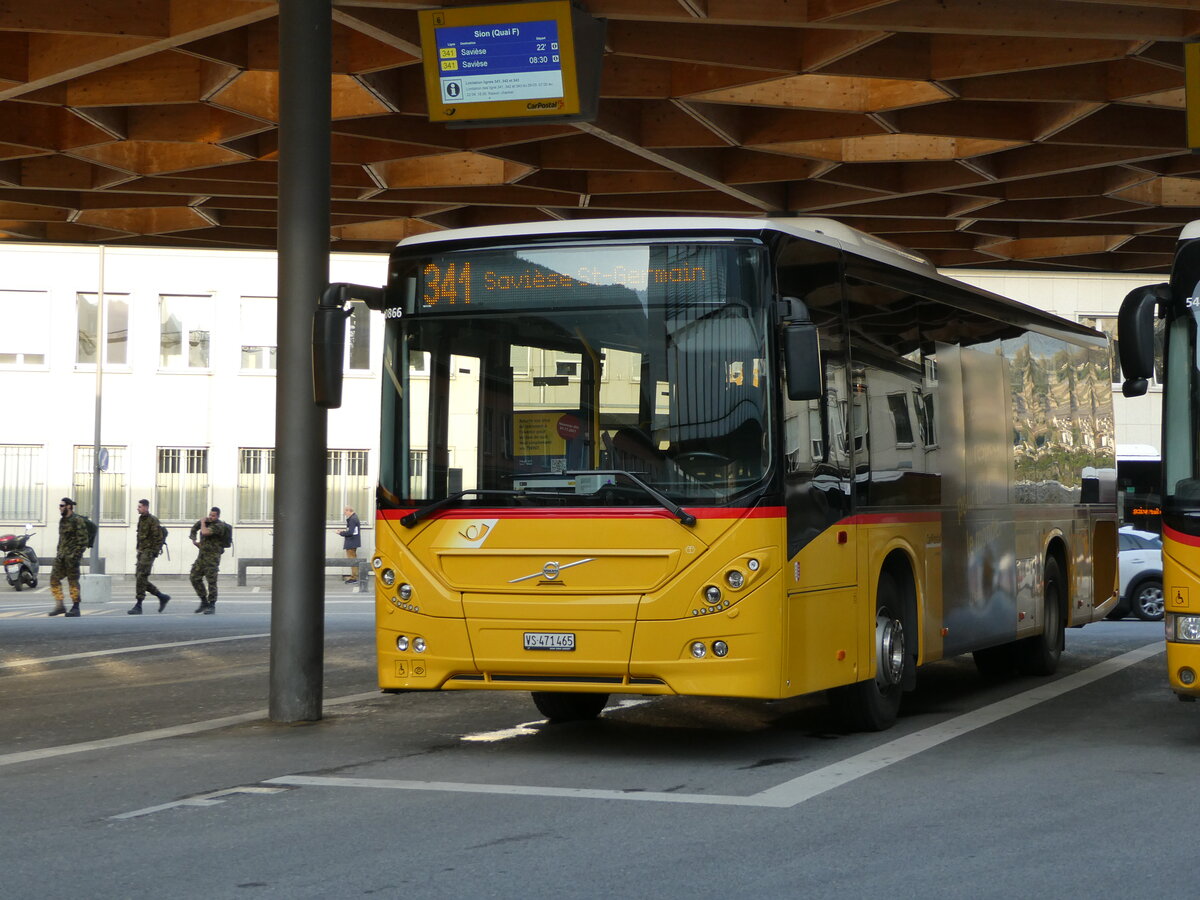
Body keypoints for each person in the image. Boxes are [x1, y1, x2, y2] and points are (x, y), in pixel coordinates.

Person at [128, 499, 170, 614]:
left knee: (141, 576)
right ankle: (161, 596)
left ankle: (139, 605)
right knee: (139, 577)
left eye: (140, 507)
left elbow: (158, 538)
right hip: (142, 552)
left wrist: (153, 552)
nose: (138, 508)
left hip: (148, 553)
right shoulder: (141, 519)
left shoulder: (153, 520)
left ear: (146, 507)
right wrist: (138, 549)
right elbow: (140, 536)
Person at [48, 497, 89, 617]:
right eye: (59, 506)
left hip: (72, 558)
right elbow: (61, 539)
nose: (60, 508)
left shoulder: (77, 520)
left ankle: (76, 607)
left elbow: (83, 541)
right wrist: (58, 552)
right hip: (61, 557)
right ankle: (60, 605)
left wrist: (75, 556)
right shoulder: (62, 521)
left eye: (62, 506)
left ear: (69, 506)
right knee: (54, 579)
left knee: (73, 582)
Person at [189, 506, 230, 614]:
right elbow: (194, 528)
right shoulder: (206, 522)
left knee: (211, 581)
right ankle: (204, 601)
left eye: (213, 515)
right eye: (210, 515)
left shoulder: (219, 526)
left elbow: (205, 532)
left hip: (212, 558)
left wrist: (203, 523)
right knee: (194, 577)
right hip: (202, 557)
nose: (211, 517)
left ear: (218, 516)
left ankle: (211, 605)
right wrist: (194, 540)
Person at [338, 506, 361, 584]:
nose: (344, 513)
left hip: (351, 542)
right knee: (353, 560)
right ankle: (354, 576)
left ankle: (354, 578)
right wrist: (344, 531)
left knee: (352, 561)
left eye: (345, 512)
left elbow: (350, 532)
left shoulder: (352, 519)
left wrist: (341, 533)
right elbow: (351, 531)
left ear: (349, 511)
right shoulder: (354, 518)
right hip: (353, 542)